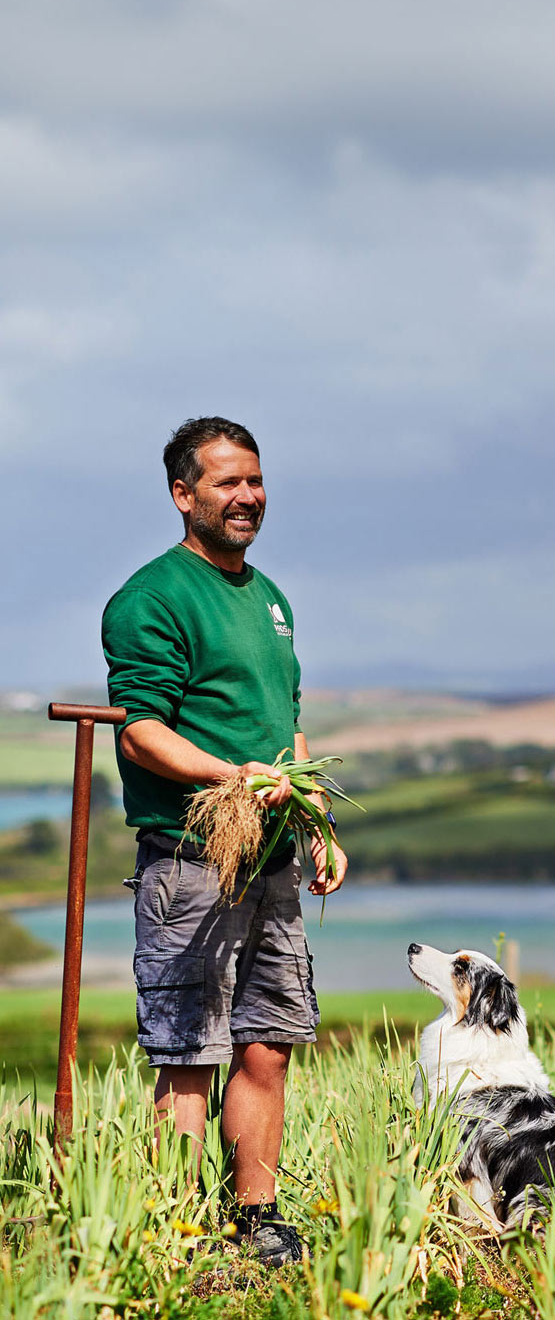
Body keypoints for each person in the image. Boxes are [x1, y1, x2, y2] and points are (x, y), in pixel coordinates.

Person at [101, 416, 347, 1267]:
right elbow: (141, 732)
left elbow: (289, 726)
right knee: (188, 1052)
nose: (247, 497)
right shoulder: (153, 597)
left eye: (255, 481)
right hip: (192, 860)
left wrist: (315, 820)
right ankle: (176, 1230)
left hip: (272, 859)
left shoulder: (271, 597)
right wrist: (231, 780)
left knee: (268, 1043)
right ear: (183, 495)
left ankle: (257, 1218)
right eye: (226, 483)